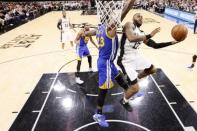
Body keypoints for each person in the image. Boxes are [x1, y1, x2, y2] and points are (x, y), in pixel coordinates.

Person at [85, 0, 137, 127]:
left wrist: (85, 32)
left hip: (108, 61)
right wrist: (131, 2)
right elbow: (124, 12)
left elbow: (90, 32)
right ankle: (98, 114)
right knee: (104, 89)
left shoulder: (100, 28)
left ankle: (128, 91)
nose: (114, 16)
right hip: (105, 63)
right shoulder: (109, 28)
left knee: (117, 75)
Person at [117, 13, 180, 97]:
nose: (140, 17)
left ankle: (135, 80)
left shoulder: (142, 34)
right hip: (124, 59)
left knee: (152, 69)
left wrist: (172, 42)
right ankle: (126, 96)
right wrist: (150, 35)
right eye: (138, 16)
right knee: (132, 86)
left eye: (142, 17)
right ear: (133, 18)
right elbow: (131, 38)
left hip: (135, 57)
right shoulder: (129, 25)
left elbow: (155, 45)